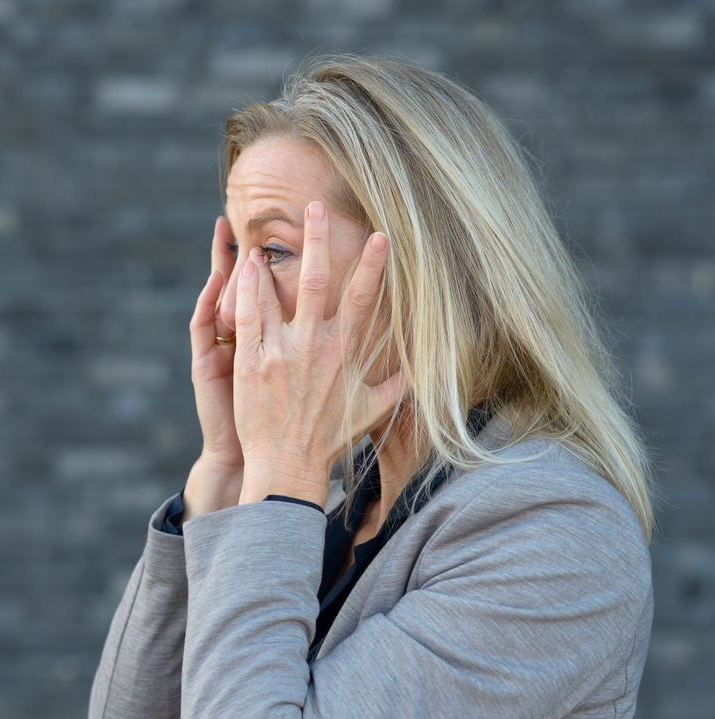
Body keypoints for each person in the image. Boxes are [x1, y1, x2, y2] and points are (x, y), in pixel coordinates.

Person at [88, 55, 653, 719]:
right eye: (236, 254)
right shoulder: (333, 498)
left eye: (274, 251)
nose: (232, 312)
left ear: (422, 266)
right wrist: (226, 472)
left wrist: (280, 476)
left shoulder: (559, 540)